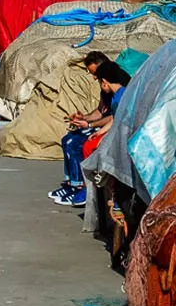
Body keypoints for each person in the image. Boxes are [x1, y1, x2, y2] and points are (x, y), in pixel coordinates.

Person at [52, 57, 130, 208]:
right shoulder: (113, 95)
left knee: (83, 145)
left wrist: (96, 129)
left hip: (120, 133)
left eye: (96, 76)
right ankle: (73, 183)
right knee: (69, 140)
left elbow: (118, 119)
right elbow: (110, 115)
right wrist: (87, 121)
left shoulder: (121, 94)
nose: (94, 78)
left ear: (105, 80)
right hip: (111, 128)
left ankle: (87, 187)